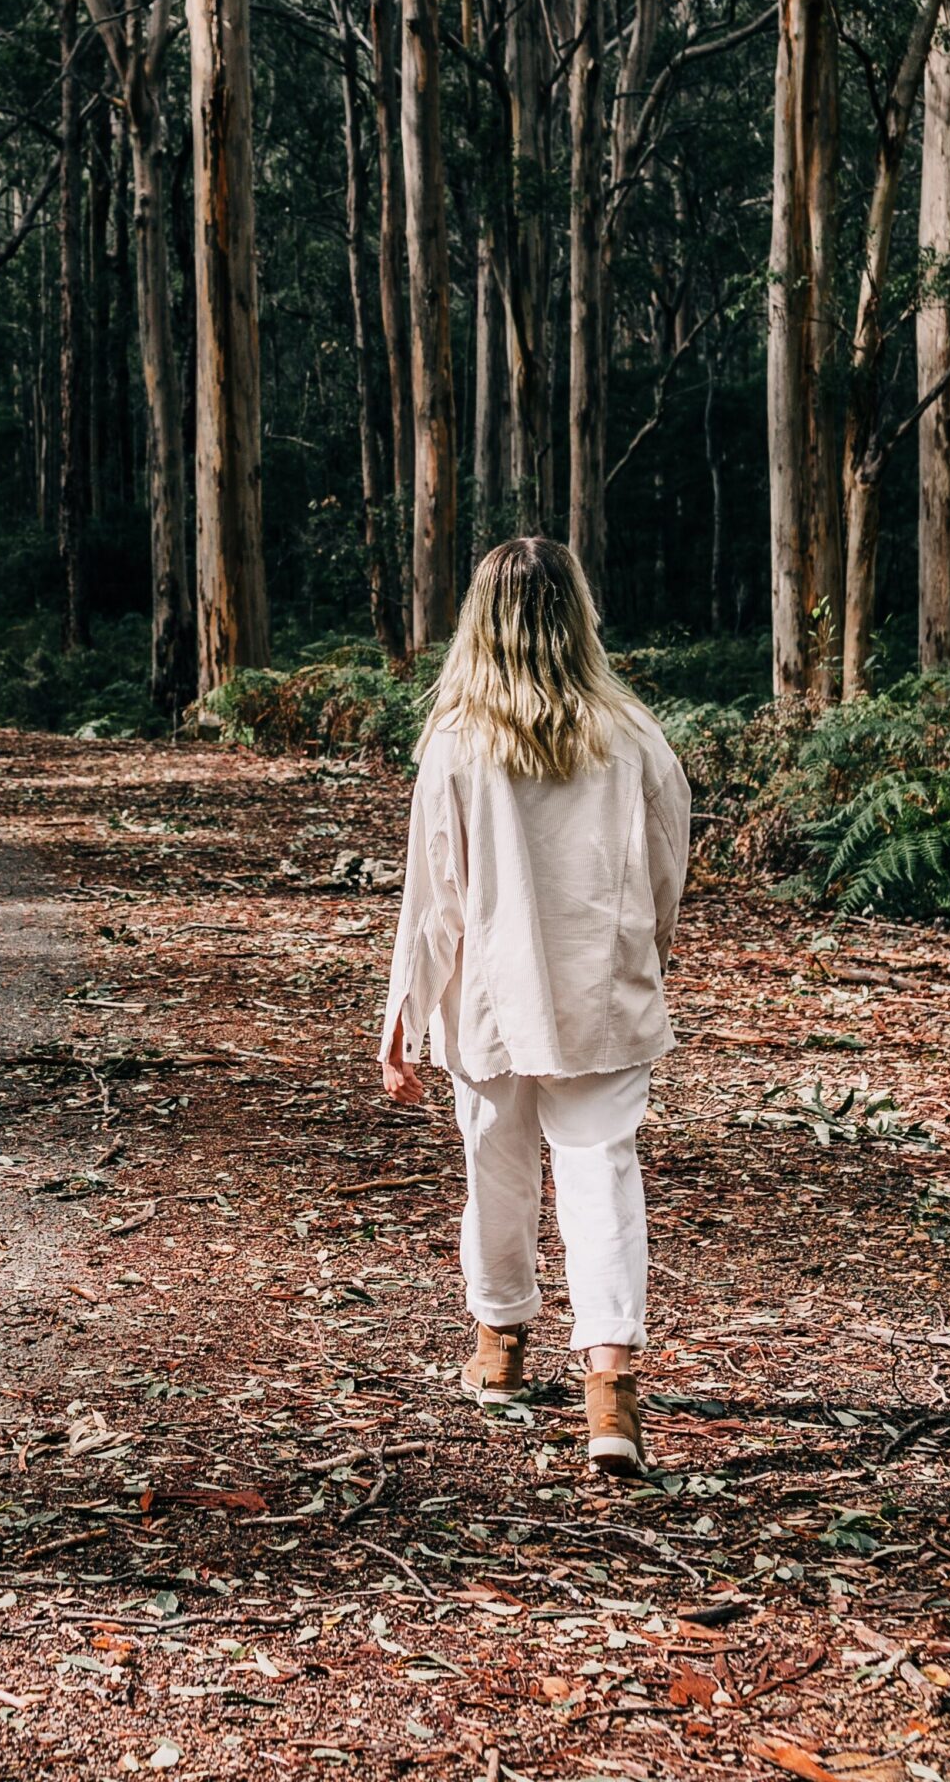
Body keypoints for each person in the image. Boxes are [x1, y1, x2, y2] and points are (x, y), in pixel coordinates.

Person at [378, 537, 690, 1474]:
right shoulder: (630, 732)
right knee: (601, 1175)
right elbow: (667, 863)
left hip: (488, 997)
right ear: (576, 614)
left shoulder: (458, 741)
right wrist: (645, 955)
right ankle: (609, 1391)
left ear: (480, 624)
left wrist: (403, 1017)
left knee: (496, 1172)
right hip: (600, 991)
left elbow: (433, 899)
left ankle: (500, 1348)